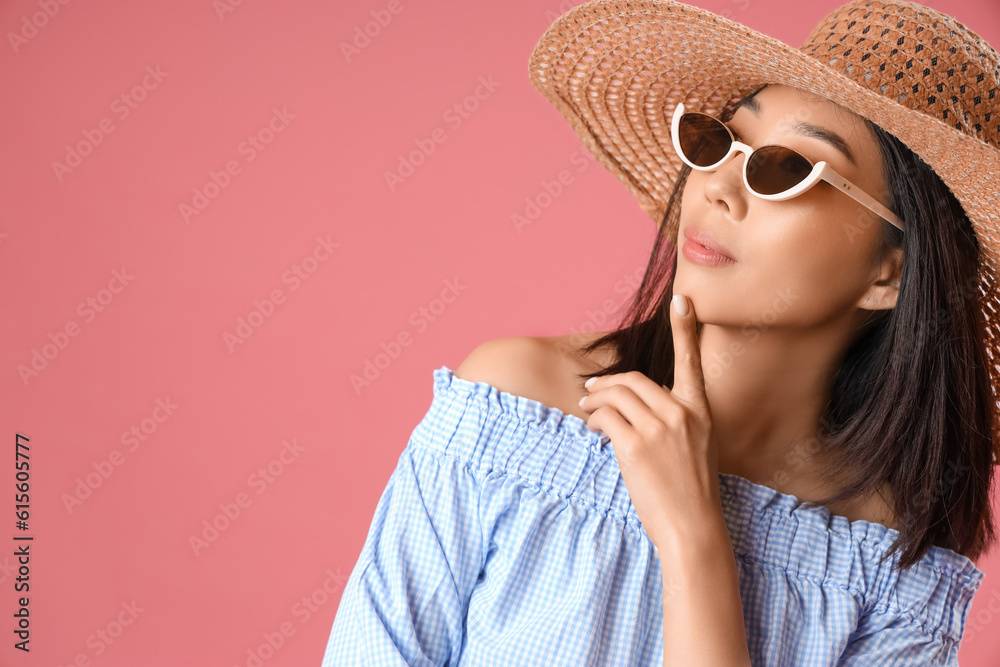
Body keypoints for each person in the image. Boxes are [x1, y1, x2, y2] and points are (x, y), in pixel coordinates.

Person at [322, 0, 1000, 664]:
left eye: (788, 169)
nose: (716, 187)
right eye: (720, 140)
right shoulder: (515, 415)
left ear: (890, 274)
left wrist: (695, 537)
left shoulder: (891, 576)